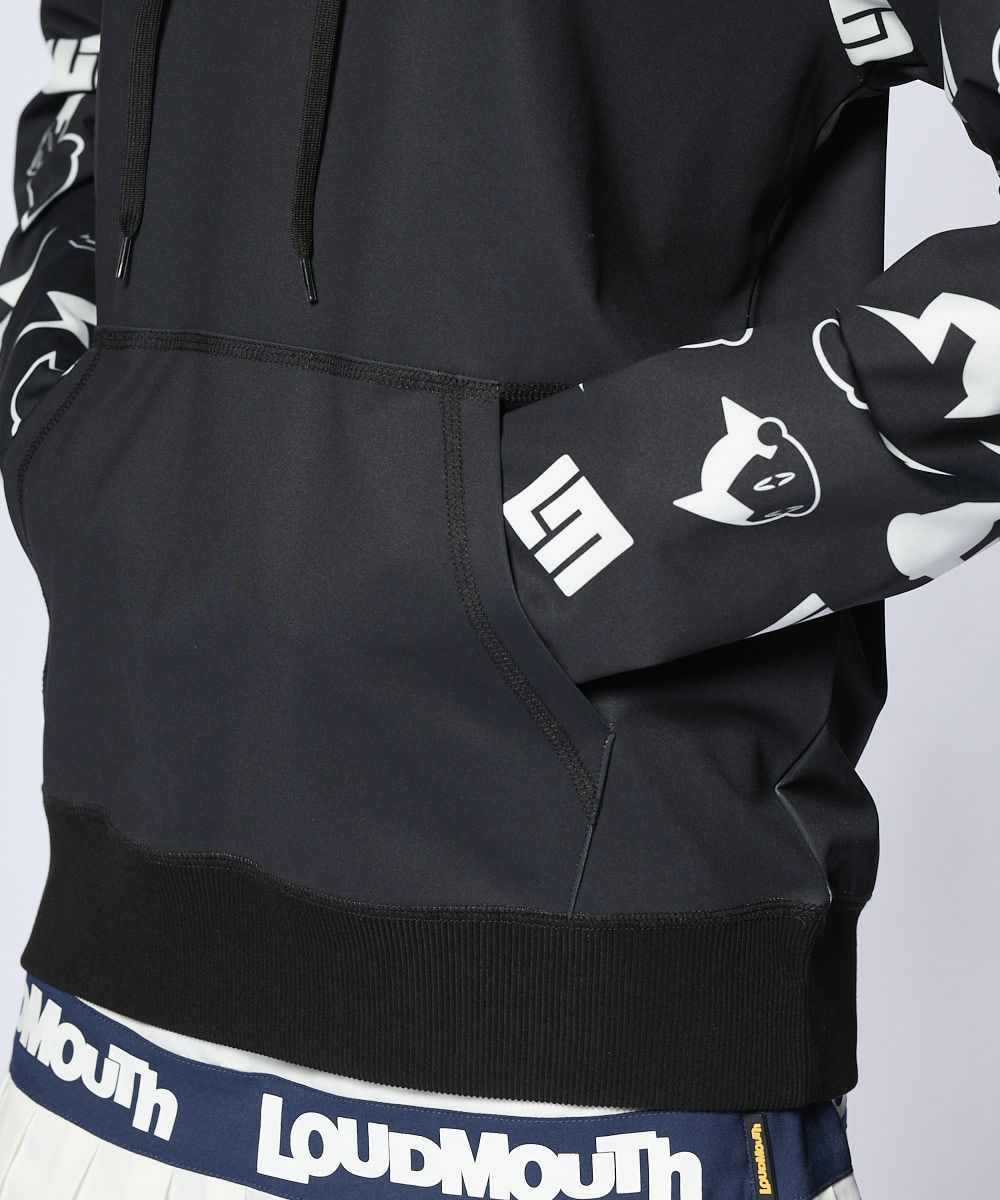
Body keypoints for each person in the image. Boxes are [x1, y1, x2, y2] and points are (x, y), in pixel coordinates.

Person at [0, 0, 997, 1194]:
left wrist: (571, 523)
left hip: (578, 1080)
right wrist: (66, 426)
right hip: (98, 1026)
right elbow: (88, 53)